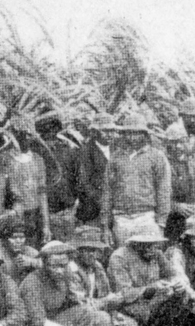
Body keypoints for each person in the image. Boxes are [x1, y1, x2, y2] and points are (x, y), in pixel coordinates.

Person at [18, 241, 130, 326]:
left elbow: (73, 303)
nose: (59, 271)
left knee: (85, 312)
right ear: (44, 264)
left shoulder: (64, 276)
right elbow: (40, 323)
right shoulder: (32, 283)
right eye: (54, 266)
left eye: (63, 265)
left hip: (54, 322)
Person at [106, 223, 195, 326]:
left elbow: (174, 275)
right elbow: (123, 294)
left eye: (154, 244)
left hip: (151, 302)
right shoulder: (119, 258)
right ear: (135, 244)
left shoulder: (156, 253)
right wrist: (150, 288)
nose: (151, 249)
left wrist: (182, 287)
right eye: (146, 245)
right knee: (137, 320)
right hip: (128, 306)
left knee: (179, 294)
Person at [103, 113, 171, 245]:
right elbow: (107, 191)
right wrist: (106, 225)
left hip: (146, 217)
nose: (132, 137)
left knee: (149, 259)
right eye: (128, 133)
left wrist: (161, 223)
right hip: (121, 218)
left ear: (144, 134)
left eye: (136, 133)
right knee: (124, 258)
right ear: (123, 135)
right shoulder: (116, 158)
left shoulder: (156, 156)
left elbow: (164, 190)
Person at [35, 112, 80, 243]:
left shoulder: (68, 149)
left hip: (67, 209)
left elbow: (77, 177)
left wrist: (75, 201)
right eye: (46, 131)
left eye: (53, 129)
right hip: (46, 211)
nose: (50, 133)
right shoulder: (36, 151)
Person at [6, 117, 51, 247]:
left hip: (34, 216)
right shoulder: (6, 159)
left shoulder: (38, 159)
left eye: (28, 135)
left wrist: (46, 225)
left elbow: (42, 194)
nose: (25, 138)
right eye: (20, 134)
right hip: (13, 216)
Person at [75, 114, 115, 229]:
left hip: (115, 207)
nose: (109, 135)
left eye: (111, 131)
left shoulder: (118, 149)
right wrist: (102, 202)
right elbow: (84, 183)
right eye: (105, 131)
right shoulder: (85, 152)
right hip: (93, 210)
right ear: (94, 132)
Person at [0, 214, 42, 283]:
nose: (18, 241)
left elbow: (48, 264)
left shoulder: (30, 252)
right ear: (5, 240)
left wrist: (32, 262)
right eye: (14, 238)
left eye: (22, 238)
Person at [72, 227, 114, 300]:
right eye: (87, 250)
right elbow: (79, 300)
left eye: (94, 250)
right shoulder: (72, 269)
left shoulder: (97, 266)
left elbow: (106, 292)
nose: (91, 254)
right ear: (77, 252)